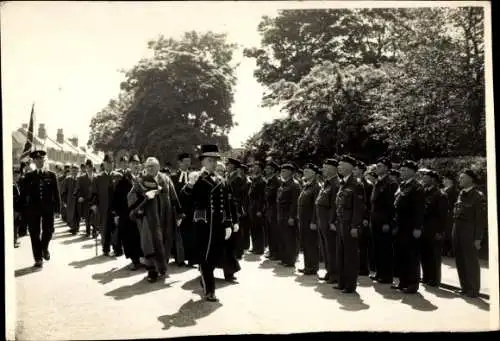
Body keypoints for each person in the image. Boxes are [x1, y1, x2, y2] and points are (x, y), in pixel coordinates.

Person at [191, 145, 239, 301]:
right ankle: (210, 290)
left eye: (215, 160)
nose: (213, 163)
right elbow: (190, 200)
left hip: (218, 225)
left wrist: (229, 223)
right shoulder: (197, 180)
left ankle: (205, 279)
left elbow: (226, 204)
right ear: (203, 162)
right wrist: (191, 184)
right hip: (203, 225)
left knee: (214, 257)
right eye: (210, 160)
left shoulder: (221, 180)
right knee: (206, 257)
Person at [20, 149, 60, 268]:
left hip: (48, 209)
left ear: (44, 160)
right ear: (33, 161)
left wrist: (58, 210)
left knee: (48, 231)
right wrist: (21, 210)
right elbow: (24, 194)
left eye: (41, 159)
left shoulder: (51, 175)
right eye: (37, 159)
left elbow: (56, 193)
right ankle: (38, 258)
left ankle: (44, 248)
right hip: (33, 209)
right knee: (34, 233)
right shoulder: (29, 176)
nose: (40, 161)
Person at [452, 169, 486, 298]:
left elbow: (480, 219)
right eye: (460, 178)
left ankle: (473, 289)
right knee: (460, 259)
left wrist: (478, 238)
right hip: (458, 229)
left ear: (471, 179)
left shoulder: (478, 196)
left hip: (469, 230)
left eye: (463, 178)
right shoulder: (461, 193)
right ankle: (464, 287)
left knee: (470, 260)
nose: (460, 180)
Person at [393, 160, 425, 294]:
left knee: (412, 255)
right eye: (402, 169)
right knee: (401, 254)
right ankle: (403, 281)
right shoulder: (403, 185)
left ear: (413, 171)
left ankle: (413, 283)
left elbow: (419, 209)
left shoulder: (417, 187)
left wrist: (418, 227)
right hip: (400, 225)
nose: (402, 172)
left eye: (405, 170)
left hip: (410, 225)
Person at [335, 155, 365, 293]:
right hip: (341, 222)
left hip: (349, 225)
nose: (339, 167)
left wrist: (355, 226)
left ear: (349, 167)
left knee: (350, 255)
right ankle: (342, 282)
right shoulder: (343, 183)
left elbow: (358, 208)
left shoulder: (356, 184)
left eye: (341, 165)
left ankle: (350, 285)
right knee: (341, 254)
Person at [369, 157, 398, 285]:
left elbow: (391, 205)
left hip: (384, 221)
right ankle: (380, 273)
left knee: (385, 248)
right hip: (375, 219)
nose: (377, 168)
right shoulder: (378, 182)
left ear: (386, 167)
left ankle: (387, 276)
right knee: (377, 248)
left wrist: (388, 222)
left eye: (379, 166)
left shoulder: (391, 183)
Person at [112, 155, 144, 270]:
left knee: (141, 237)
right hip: (127, 215)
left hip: (141, 214)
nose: (136, 165)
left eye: (138, 163)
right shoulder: (123, 180)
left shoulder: (144, 178)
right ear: (129, 165)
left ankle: (142, 258)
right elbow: (116, 198)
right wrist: (116, 214)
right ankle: (135, 260)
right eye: (133, 163)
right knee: (130, 237)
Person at [418, 169, 448, 287]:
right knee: (424, 254)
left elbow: (443, 215)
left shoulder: (440, 194)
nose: (423, 179)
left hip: (434, 229)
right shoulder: (424, 192)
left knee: (434, 256)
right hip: (424, 229)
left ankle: (434, 279)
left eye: (426, 176)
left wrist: (440, 231)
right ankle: (426, 277)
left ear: (433, 179)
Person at [315, 158, 340, 284]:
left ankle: (335, 274)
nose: (323, 170)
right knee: (325, 248)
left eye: (326, 168)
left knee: (331, 248)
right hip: (322, 220)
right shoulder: (327, 183)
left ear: (333, 169)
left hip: (328, 222)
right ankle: (329, 271)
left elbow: (335, 206)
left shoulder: (336, 183)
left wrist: (332, 222)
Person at [90, 154, 121, 256]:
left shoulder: (118, 176)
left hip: (116, 207)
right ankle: (106, 248)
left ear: (113, 164)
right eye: (107, 163)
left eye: (111, 163)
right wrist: (94, 205)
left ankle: (117, 248)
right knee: (105, 227)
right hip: (103, 207)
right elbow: (94, 193)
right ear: (104, 164)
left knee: (116, 228)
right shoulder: (98, 178)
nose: (109, 165)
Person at [297, 163, 321, 275]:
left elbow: (316, 206)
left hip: (310, 220)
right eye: (304, 171)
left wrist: (314, 221)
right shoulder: (306, 185)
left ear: (314, 174)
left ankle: (313, 267)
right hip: (303, 219)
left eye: (307, 171)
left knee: (311, 244)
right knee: (306, 243)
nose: (304, 173)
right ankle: (308, 265)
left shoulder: (317, 186)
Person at [277, 162, 301, 267]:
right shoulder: (284, 183)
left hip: (288, 215)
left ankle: (290, 260)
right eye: (281, 171)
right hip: (281, 214)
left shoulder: (294, 185)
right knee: (282, 237)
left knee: (290, 238)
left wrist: (292, 216)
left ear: (291, 173)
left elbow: (295, 203)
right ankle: (284, 258)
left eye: (284, 171)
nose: (282, 173)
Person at [170, 152, 192, 266]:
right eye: (186, 161)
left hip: (191, 210)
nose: (188, 164)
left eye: (189, 161)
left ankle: (191, 258)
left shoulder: (193, 176)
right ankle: (179, 257)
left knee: (191, 234)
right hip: (178, 210)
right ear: (180, 162)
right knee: (179, 235)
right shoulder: (173, 177)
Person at [263, 160, 281, 260]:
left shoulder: (276, 181)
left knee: (274, 233)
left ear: (273, 170)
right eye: (266, 168)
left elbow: (272, 195)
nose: (266, 170)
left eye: (269, 168)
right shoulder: (269, 180)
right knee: (269, 232)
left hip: (274, 209)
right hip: (269, 209)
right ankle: (272, 251)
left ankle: (276, 253)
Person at [248, 161, 267, 255]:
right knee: (253, 227)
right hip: (252, 205)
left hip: (257, 206)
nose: (254, 168)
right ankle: (255, 246)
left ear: (260, 169)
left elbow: (262, 197)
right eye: (254, 166)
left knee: (258, 228)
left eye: (256, 167)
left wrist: (260, 209)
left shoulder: (262, 181)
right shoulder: (255, 179)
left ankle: (260, 248)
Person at [75, 160, 97, 238]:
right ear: (85, 168)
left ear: (93, 167)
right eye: (87, 167)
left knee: (94, 216)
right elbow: (77, 189)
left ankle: (94, 231)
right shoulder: (81, 178)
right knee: (87, 217)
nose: (89, 169)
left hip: (95, 200)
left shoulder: (97, 177)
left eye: (90, 167)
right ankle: (88, 231)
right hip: (86, 200)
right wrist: (80, 196)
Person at [442, 173, 459, 257]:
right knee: (445, 232)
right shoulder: (444, 190)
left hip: (450, 215)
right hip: (445, 214)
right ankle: (445, 250)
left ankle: (451, 251)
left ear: (450, 181)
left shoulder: (453, 191)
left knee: (449, 233)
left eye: (445, 179)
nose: (443, 181)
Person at [62, 164, 80, 234]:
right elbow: (64, 191)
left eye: (75, 171)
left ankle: (76, 228)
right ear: (71, 171)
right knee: (71, 214)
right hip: (70, 200)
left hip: (78, 200)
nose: (74, 172)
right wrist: (64, 200)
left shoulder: (80, 179)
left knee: (77, 215)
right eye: (73, 171)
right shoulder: (68, 179)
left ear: (78, 171)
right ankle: (73, 227)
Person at [13, 166, 23, 248]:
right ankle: (13, 241)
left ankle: (15, 239)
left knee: (16, 224)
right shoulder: (12, 185)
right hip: (14, 209)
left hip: (17, 208)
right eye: (16, 175)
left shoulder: (16, 184)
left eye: (18, 175)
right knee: (14, 225)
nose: (18, 177)